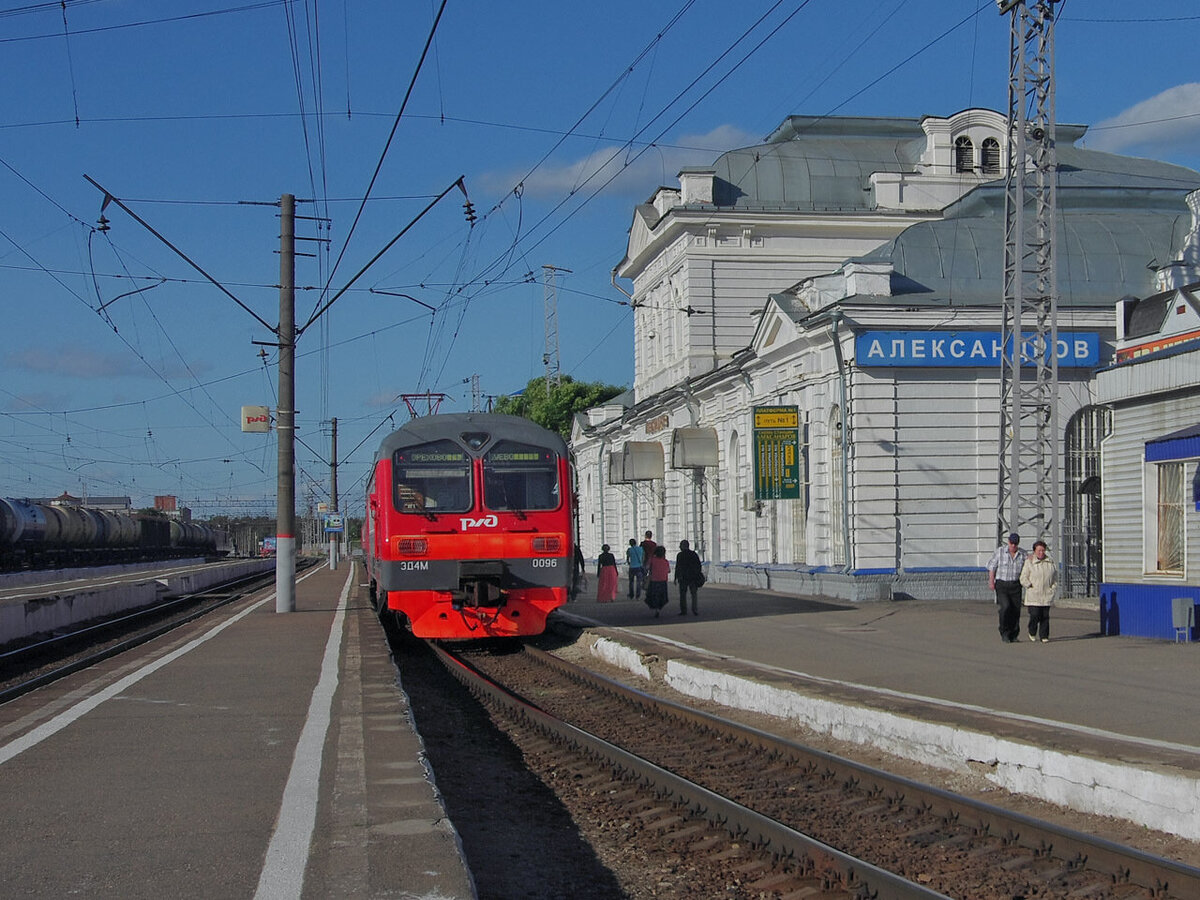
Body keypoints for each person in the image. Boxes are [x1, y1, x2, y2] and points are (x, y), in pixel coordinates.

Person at [987, 532, 1028, 642]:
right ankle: (1004, 632)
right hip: (1002, 584)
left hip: (1015, 585)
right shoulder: (1000, 551)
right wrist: (991, 581)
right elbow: (992, 567)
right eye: (1011, 543)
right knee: (1005, 607)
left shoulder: (1023, 554)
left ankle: (1014, 634)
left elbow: (1029, 567)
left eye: (1015, 543)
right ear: (1008, 542)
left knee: (1015, 610)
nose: (1013, 546)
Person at [1020, 539, 1057, 642]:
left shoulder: (1050, 562)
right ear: (1034, 551)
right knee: (1035, 615)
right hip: (1034, 595)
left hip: (1046, 594)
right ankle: (1032, 631)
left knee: (1045, 616)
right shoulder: (1029, 562)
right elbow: (1023, 578)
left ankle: (1044, 636)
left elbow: (1055, 577)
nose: (1041, 553)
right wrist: (1029, 585)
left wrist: (1053, 588)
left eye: (1043, 550)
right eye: (1039, 550)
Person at [674, 539, 704, 616]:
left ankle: (683, 610)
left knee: (683, 595)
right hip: (693, 577)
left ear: (682, 547)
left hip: (683, 578)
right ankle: (695, 610)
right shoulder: (693, 554)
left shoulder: (680, 555)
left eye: (680, 546)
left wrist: (675, 578)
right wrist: (697, 574)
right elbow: (698, 565)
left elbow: (678, 567)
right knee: (694, 594)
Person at [644, 545, 670, 617]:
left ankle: (656, 608)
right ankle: (658, 608)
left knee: (653, 595)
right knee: (662, 596)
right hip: (663, 580)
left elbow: (647, 567)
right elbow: (668, 570)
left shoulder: (652, 560)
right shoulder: (666, 561)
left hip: (654, 580)